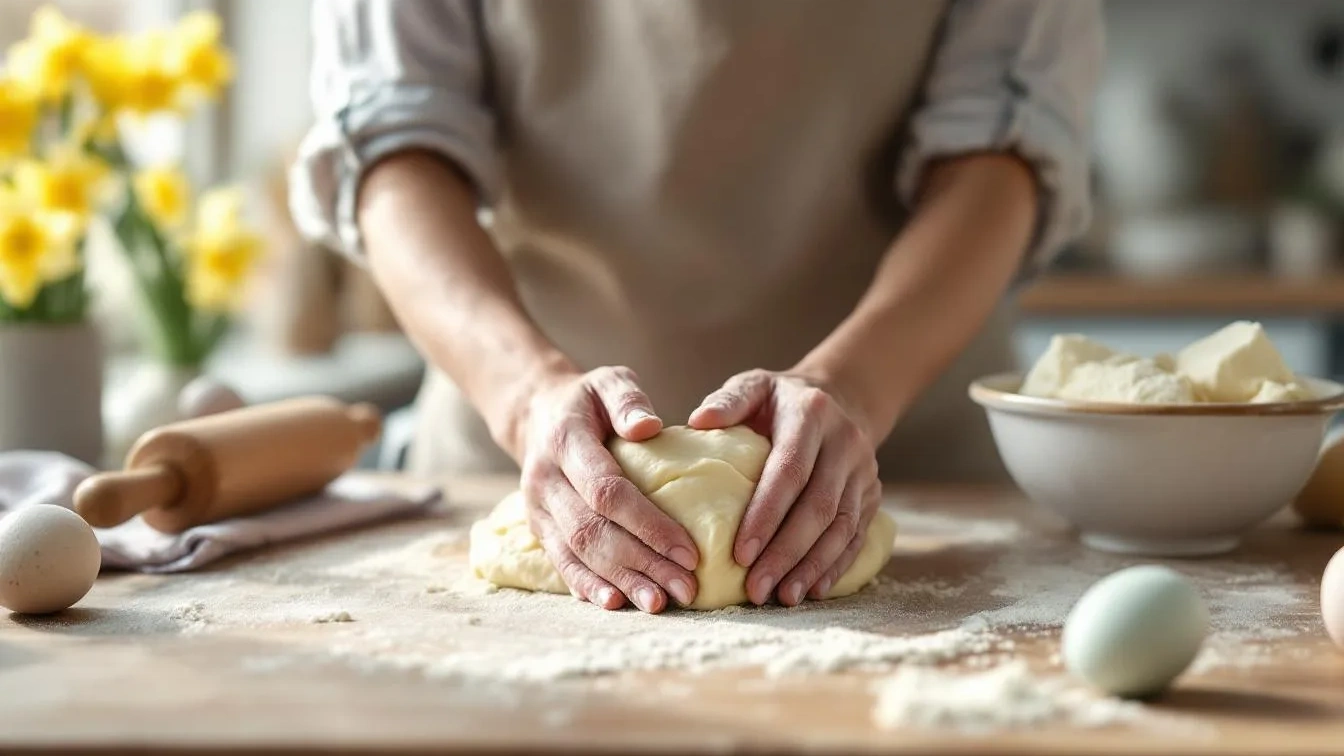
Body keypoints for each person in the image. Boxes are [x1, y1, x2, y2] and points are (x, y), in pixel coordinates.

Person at [291, 0, 1102, 614]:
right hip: (523, 452)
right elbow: (394, 151)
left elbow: (996, 154)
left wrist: (854, 386)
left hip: (908, 453)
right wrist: (526, 397)